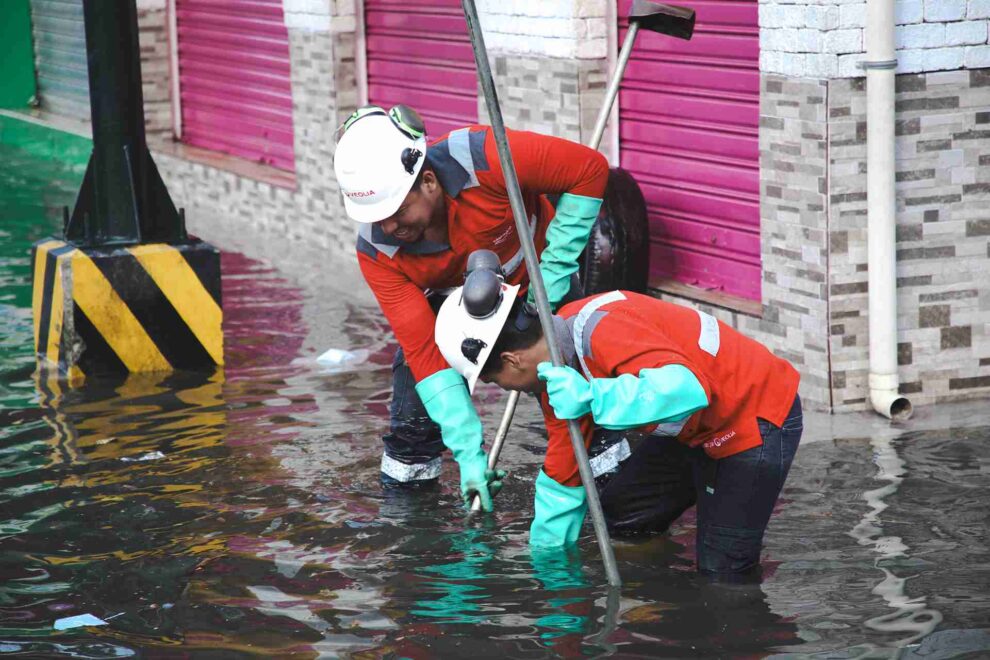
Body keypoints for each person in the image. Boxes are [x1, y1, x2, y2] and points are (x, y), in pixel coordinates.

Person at [333, 104, 619, 509]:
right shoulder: (378, 252)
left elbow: (588, 170)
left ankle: (612, 496)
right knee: (413, 412)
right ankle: (411, 515)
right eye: (375, 219)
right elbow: (424, 353)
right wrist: (469, 452)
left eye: (395, 213)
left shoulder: (484, 157)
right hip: (448, 313)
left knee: (577, 397)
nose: (387, 228)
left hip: (537, 283)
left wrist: (551, 278)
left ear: (428, 181)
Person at [434, 261, 803, 575]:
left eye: (495, 380)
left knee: (722, 571)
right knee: (624, 516)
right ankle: (657, 597)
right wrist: (547, 563)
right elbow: (565, 467)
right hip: (695, 430)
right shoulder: (557, 369)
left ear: (513, 360)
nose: (503, 388)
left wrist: (595, 397)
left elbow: (688, 390)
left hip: (752, 416)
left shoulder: (601, 331)